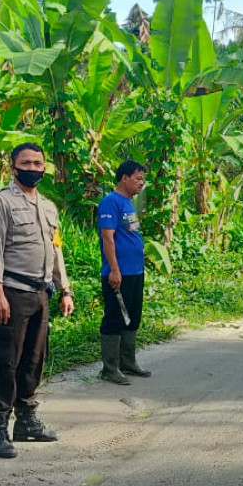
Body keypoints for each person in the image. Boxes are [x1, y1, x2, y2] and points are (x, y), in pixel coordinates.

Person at [0, 143, 74, 459]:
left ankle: (27, 421)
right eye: (26, 163)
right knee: (5, 361)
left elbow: (55, 248)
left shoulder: (48, 206)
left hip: (41, 293)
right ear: (13, 167)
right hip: (11, 293)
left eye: (38, 163)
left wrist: (65, 289)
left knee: (34, 359)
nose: (33, 168)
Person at [96, 160, 152, 385]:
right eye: (138, 178)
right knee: (115, 317)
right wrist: (115, 270)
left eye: (143, 179)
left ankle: (128, 362)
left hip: (135, 271)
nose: (141, 183)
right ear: (124, 178)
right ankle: (110, 368)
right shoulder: (111, 202)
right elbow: (108, 238)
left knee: (133, 317)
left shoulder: (129, 203)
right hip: (119, 273)